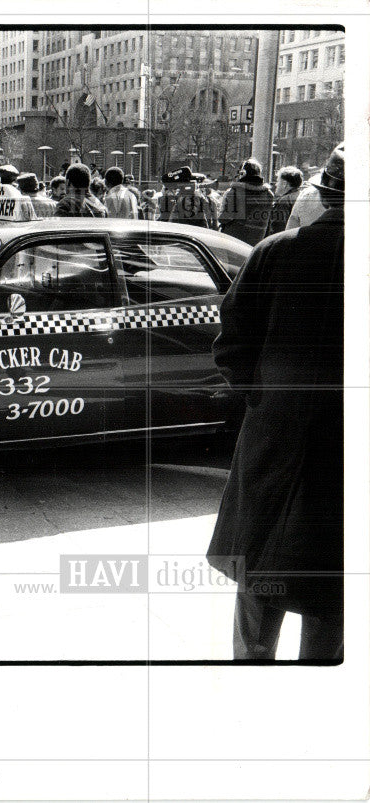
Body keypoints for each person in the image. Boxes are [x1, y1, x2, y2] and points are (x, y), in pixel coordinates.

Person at [207, 143, 344, 661]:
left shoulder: (275, 252)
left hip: (274, 438)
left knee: (260, 575)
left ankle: (252, 678)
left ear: (325, 197)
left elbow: (231, 344)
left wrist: (263, 400)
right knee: (332, 592)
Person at [219, 158, 275, 245]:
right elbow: (269, 221)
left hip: (234, 238)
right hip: (258, 238)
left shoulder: (235, 191)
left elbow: (225, 217)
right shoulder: (268, 194)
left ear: (242, 173)